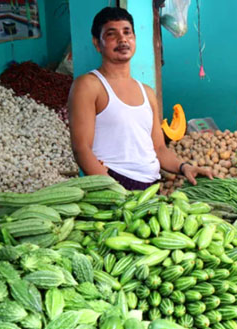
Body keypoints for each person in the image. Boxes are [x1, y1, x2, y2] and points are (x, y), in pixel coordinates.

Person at [69, 7, 212, 191]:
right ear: (97, 44)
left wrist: (184, 167)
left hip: (151, 188)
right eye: (112, 34)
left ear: (134, 39)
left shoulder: (147, 92)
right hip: (112, 183)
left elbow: (159, 149)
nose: (122, 39)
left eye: (127, 32)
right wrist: (113, 190)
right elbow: (81, 149)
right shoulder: (89, 86)